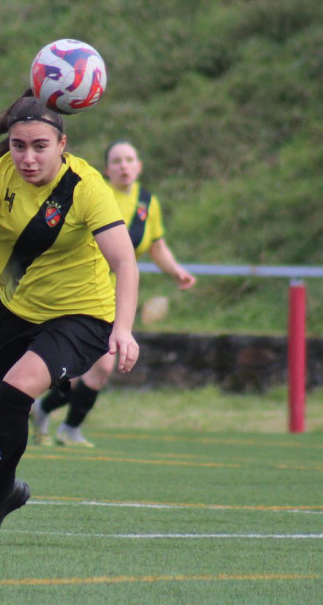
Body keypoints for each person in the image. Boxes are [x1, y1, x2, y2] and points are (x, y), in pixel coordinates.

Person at [0, 91, 140, 544]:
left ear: (62, 144)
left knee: (16, 389)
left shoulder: (86, 186)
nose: (28, 158)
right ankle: (3, 497)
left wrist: (123, 328)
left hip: (81, 315)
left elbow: (125, 262)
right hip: (15, 310)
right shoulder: (2, 174)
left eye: (40, 146)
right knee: (7, 406)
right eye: (19, 146)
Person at [30, 140, 196, 447]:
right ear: (107, 169)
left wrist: (176, 271)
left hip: (116, 294)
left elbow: (156, 245)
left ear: (139, 166)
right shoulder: (95, 192)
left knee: (94, 369)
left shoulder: (147, 202)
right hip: (84, 288)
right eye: (117, 161)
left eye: (129, 159)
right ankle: (57, 421)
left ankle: (55, 419)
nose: (124, 166)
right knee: (99, 365)